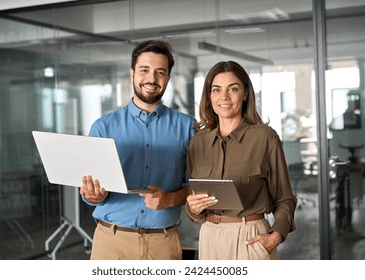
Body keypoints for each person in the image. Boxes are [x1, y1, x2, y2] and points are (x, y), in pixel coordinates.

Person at [80, 40, 196, 260]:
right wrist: (93, 195)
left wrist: (170, 199)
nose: (151, 79)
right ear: (132, 73)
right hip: (111, 242)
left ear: (168, 78)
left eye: (160, 72)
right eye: (144, 70)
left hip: (163, 243)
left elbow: (197, 187)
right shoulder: (103, 127)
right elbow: (89, 191)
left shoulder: (188, 127)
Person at [185, 61, 297, 260]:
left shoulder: (265, 137)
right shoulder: (197, 143)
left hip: (250, 237)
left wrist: (277, 234)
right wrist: (193, 209)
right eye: (216, 89)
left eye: (233, 89)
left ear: (245, 94)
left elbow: (284, 198)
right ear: (209, 97)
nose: (224, 97)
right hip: (209, 235)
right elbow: (196, 205)